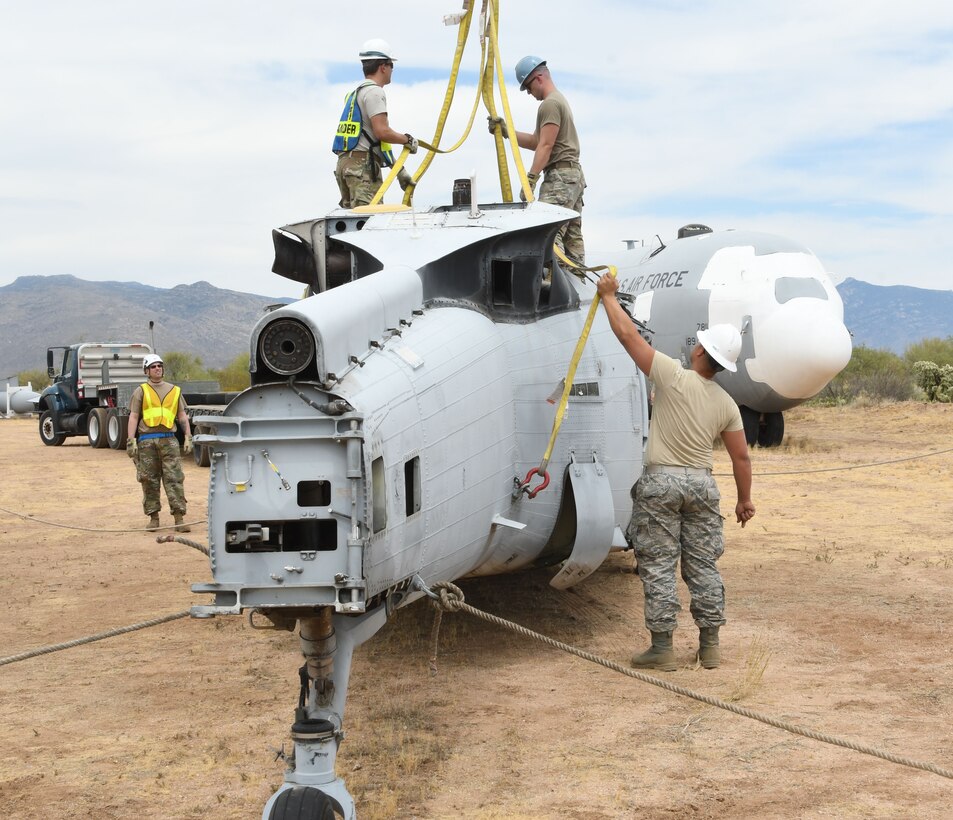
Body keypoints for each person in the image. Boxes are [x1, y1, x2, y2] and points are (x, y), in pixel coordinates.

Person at [596, 273, 755, 671]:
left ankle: (663, 649)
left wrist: (608, 297)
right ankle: (710, 647)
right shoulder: (727, 403)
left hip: (662, 482)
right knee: (703, 565)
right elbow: (741, 458)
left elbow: (630, 338)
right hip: (702, 485)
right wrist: (745, 500)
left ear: (701, 353)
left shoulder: (673, 376)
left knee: (660, 564)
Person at [490, 56, 586, 266]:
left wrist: (531, 179)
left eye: (528, 87)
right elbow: (536, 141)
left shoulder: (549, 104)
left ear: (539, 78)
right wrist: (507, 132)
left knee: (547, 234)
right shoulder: (558, 101)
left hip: (560, 179)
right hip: (572, 177)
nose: (529, 93)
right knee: (572, 241)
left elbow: (546, 146)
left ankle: (554, 287)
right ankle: (577, 284)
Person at [332, 38, 418, 209]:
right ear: (383, 66)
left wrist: (399, 171)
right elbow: (382, 132)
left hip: (346, 167)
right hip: (362, 168)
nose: (392, 70)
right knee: (368, 223)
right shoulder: (374, 93)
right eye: (391, 65)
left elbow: (375, 141)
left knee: (354, 224)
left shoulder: (355, 94)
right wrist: (407, 140)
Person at [126, 354, 193, 533]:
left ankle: (179, 518)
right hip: (146, 441)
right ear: (146, 371)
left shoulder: (174, 390)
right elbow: (133, 416)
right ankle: (153, 518)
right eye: (153, 366)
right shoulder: (141, 391)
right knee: (149, 480)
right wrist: (131, 440)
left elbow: (181, 416)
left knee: (174, 478)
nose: (157, 368)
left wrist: (188, 435)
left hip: (168, 440)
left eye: (159, 366)